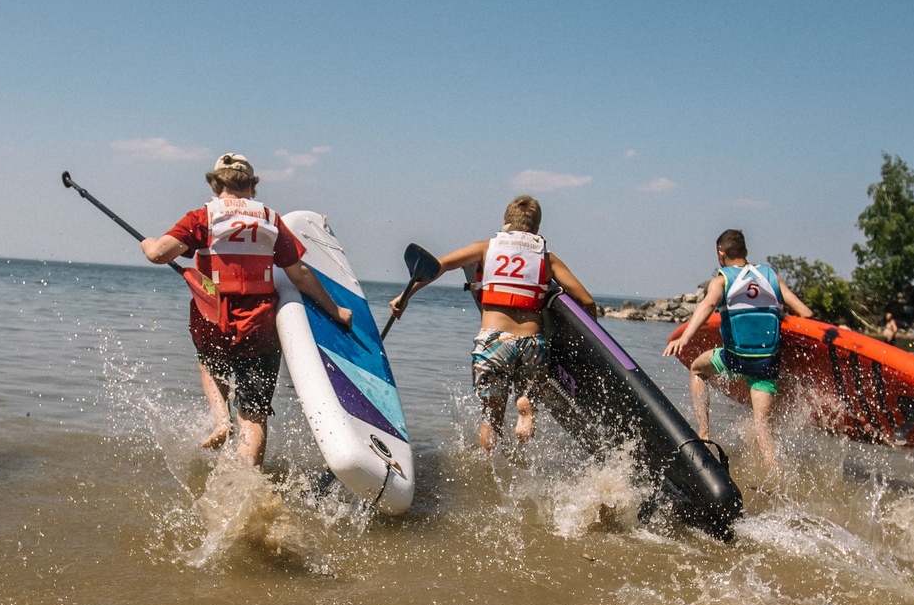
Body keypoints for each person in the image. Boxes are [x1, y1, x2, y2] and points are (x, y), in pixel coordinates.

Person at [141, 153, 353, 467]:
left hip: (213, 321)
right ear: (252, 187)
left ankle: (220, 420)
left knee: (208, 364)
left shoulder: (202, 218)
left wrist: (147, 242)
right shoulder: (269, 218)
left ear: (215, 185)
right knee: (253, 419)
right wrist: (335, 310)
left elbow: (159, 254)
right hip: (258, 328)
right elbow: (299, 275)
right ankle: (248, 485)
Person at [388, 194, 595, 451]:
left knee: (490, 420)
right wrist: (584, 348)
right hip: (532, 343)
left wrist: (404, 297)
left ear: (506, 220)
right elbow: (586, 301)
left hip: (495, 340)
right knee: (528, 396)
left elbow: (438, 266)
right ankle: (525, 404)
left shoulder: (485, 248)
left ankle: (487, 471)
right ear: (537, 229)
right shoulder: (548, 260)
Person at [665, 229, 817, 477]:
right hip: (766, 363)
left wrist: (685, 337)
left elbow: (708, 306)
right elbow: (806, 314)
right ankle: (779, 484)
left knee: (697, 368)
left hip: (734, 358)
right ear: (745, 252)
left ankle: (704, 433)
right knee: (763, 430)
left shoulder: (722, 280)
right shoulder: (771, 277)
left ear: (720, 253)